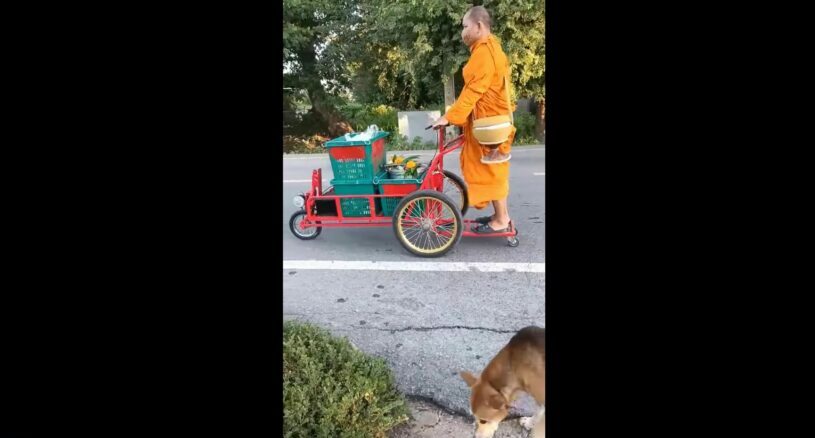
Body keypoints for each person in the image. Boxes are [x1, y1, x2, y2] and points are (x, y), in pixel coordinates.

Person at [431, 5, 515, 234]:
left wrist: (450, 117)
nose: (462, 32)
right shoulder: (490, 48)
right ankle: (501, 215)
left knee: (491, 170)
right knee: (493, 168)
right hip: (490, 120)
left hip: (488, 124)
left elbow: (473, 91)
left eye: (465, 26)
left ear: (479, 26)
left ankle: (501, 219)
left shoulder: (485, 53)